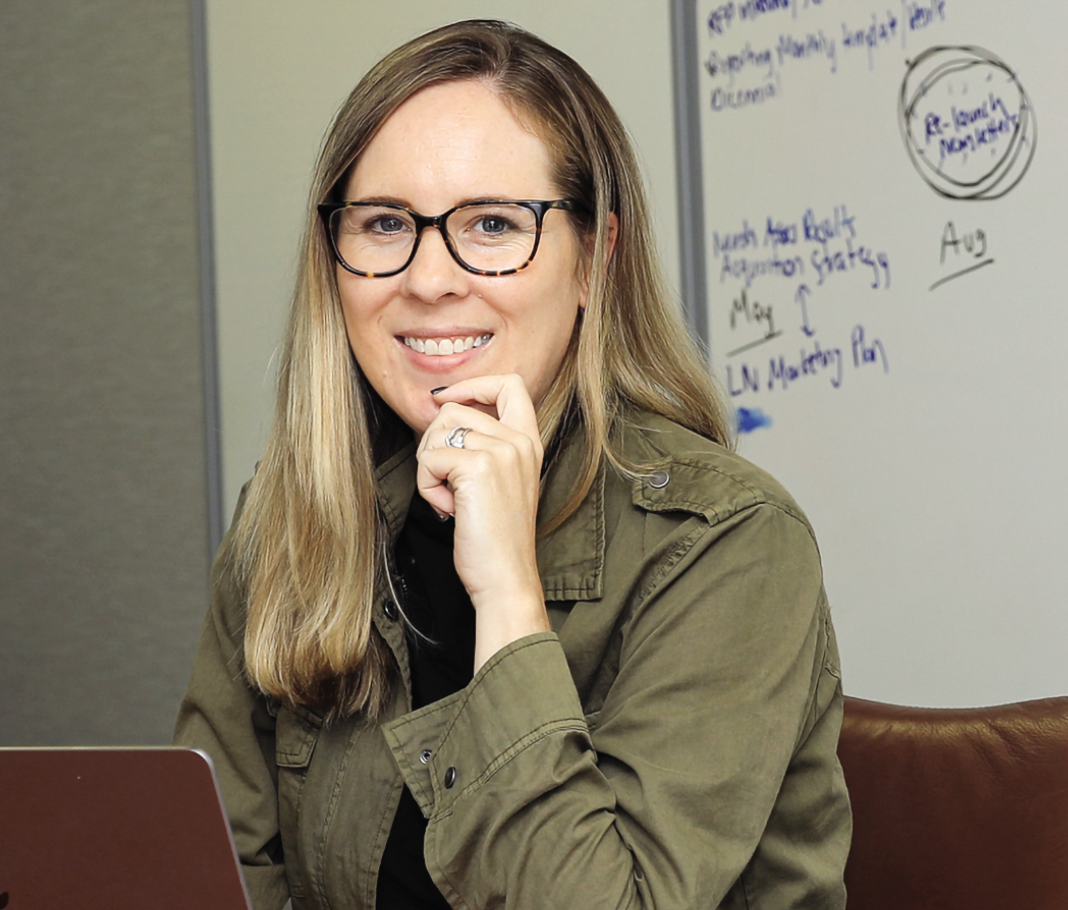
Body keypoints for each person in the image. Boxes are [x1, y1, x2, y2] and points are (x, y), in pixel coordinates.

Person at [175, 19, 850, 910]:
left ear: (593, 261)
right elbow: (215, 871)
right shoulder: (292, 515)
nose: (428, 278)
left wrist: (505, 599)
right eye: (384, 224)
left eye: (492, 224)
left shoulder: (727, 542)